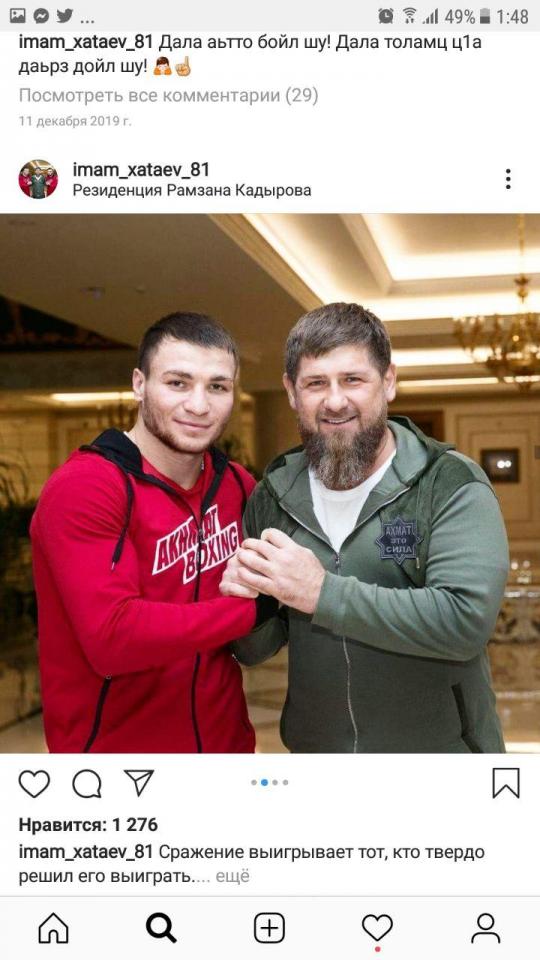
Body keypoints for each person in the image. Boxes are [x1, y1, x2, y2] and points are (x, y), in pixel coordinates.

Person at [221, 302, 509, 753]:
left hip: (440, 762)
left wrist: (321, 593)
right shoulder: (273, 494)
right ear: (292, 392)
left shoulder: (448, 482)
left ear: (388, 381)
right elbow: (254, 650)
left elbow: (464, 621)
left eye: (353, 379)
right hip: (319, 760)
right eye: (316, 383)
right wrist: (244, 604)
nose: (335, 401)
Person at [31, 312, 267, 753]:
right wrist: (258, 609)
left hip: (227, 750)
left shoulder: (237, 485)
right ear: (139, 384)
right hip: (118, 766)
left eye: (217, 386)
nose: (199, 405)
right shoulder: (86, 487)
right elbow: (113, 638)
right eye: (178, 383)